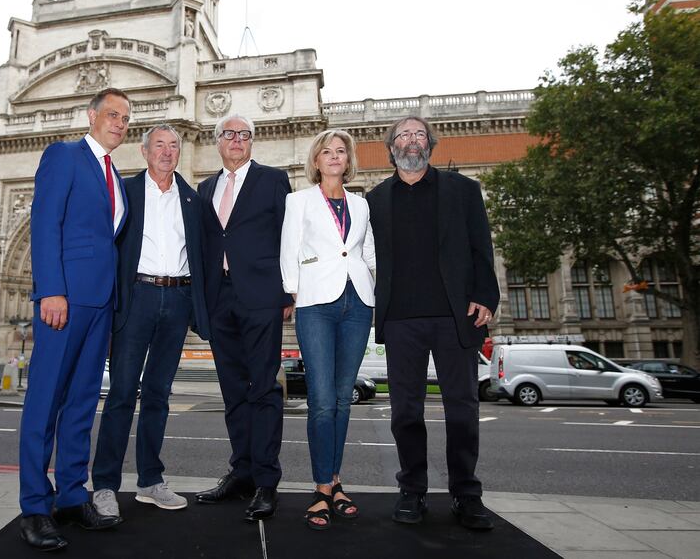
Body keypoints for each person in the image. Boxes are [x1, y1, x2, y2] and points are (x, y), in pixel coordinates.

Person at [366, 115, 500, 531]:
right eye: (403, 135)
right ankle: (412, 489)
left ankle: (466, 493)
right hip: (401, 319)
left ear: (430, 145)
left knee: (462, 409)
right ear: (391, 148)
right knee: (405, 411)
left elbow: (482, 247)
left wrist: (485, 296)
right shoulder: (373, 200)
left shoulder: (463, 190)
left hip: (454, 316)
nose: (411, 141)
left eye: (419, 134)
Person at [18, 87, 130, 551]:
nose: (119, 123)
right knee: (45, 402)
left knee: (82, 404)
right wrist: (52, 290)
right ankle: (35, 507)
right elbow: (45, 223)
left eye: (125, 117)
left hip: (101, 302)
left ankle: (70, 495)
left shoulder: (116, 173)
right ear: (91, 115)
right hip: (64, 301)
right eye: (112, 114)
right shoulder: (63, 156)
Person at [91, 124, 210, 519]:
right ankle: (105, 484)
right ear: (144, 152)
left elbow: (202, 258)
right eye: (159, 145)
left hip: (176, 298)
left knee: (158, 395)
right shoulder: (124, 192)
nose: (167, 151)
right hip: (136, 298)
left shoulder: (192, 199)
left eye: (173, 145)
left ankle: (150, 481)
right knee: (122, 393)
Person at [194, 115, 292, 522]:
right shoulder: (204, 189)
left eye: (244, 135)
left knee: (264, 389)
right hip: (221, 300)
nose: (236, 140)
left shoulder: (274, 180)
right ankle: (243, 473)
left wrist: (288, 292)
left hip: (262, 297)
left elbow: (289, 236)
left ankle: (267, 481)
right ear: (218, 142)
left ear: (252, 141)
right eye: (229, 135)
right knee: (234, 392)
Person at [279, 129, 376, 530]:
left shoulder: (362, 204)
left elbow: (367, 252)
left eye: (341, 152)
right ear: (316, 161)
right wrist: (292, 293)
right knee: (321, 399)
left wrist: (376, 284)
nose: (334, 157)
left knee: (342, 397)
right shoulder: (298, 200)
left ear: (348, 161)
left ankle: (336, 481)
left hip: (358, 303)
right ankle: (321, 486)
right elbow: (289, 248)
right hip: (316, 303)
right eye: (327, 152)